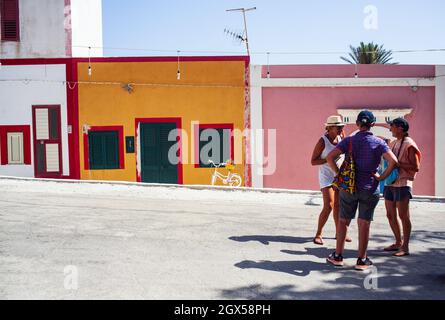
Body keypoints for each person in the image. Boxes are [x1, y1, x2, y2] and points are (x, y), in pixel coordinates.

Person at [325, 110, 398, 271]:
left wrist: (339, 173)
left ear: (357, 124)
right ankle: (362, 260)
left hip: (349, 188)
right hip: (370, 188)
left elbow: (330, 157)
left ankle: (337, 256)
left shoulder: (349, 141)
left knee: (343, 221)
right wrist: (381, 177)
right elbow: (393, 161)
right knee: (364, 223)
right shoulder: (379, 143)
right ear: (372, 125)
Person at [381, 118, 421, 257]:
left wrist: (398, 164)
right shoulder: (394, 142)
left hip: (403, 184)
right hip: (390, 183)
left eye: (391, 126)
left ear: (400, 128)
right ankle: (398, 242)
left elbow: (416, 167)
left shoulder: (409, 144)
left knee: (403, 216)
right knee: (390, 214)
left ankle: (405, 247)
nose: (390, 128)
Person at [310, 115, 351, 245]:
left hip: (338, 175)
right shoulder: (322, 141)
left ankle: (339, 232)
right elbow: (313, 161)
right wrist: (329, 158)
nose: (340, 129)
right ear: (330, 128)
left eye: (341, 127)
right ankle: (318, 233)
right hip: (326, 176)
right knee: (329, 205)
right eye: (338, 127)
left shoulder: (341, 138)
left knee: (338, 206)